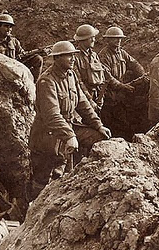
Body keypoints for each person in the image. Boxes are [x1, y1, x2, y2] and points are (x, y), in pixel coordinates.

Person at [27, 41, 112, 200]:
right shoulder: (47, 82)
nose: (73, 59)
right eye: (68, 55)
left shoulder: (70, 75)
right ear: (57, 58)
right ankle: (31, 211)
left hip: (67, 128)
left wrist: (98, 125)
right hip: (47, 135)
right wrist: (70, 136)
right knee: (42, 179)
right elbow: (51, 116)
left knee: (99, 139)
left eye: (73, 55)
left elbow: (82, 104)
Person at [98, 27, 146, 138]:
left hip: (120, 94)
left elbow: (135, 64)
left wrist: (142, 76)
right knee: (109, 122)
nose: (118, 41)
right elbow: (107, 77)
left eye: (120, 38)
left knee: (123, 121)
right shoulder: (103, 55)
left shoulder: (122, 53)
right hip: (108, 96)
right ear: (108, 40)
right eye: (115, 39)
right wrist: (121, 86)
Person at [0, 13, 43, 81]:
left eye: (10, 27)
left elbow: (22, 54)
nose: (9, 29)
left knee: (38, 59)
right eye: (6, 26)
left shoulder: (13, 40)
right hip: (0, 71)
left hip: (14, 66)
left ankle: (34, 84)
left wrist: (35, 52)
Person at [72, 24, 107, 111]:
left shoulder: (94, 56)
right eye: (91, 37)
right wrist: (89, 100)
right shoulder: (75, 57)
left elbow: (101, 77)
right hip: (82, 99)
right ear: (83, 40)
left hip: (96, 97)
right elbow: (78, 82)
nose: (94, 40)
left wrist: (101, 97)